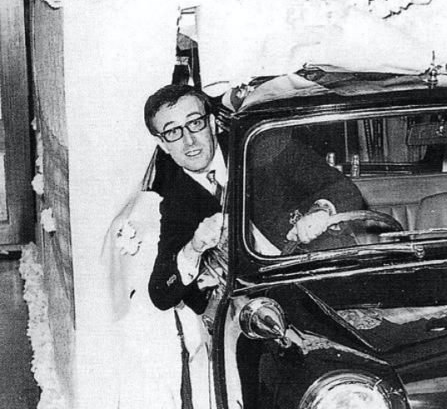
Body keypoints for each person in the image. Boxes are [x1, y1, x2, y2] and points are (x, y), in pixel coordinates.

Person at [144, 82, 363, 313]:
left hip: (330, 280)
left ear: (211, 123)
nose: (189, 141)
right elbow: (160, 293)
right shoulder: (176, 202)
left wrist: (321, 211)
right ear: (162, 143)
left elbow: (342, 188)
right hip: (266, 311)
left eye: (195, 123)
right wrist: (194, 248)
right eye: (173, 132)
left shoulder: (263, 145)